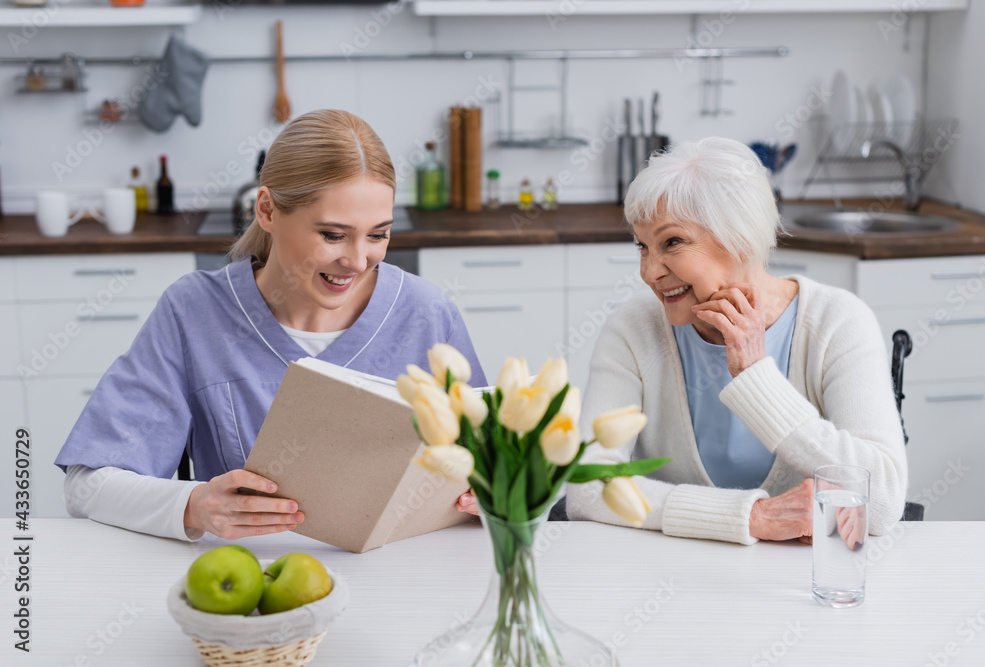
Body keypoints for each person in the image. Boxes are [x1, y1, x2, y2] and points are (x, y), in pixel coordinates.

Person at [56, 110, 486, 542]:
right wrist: (194, 506)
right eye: (333, 235)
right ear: (267, 210)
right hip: (251, 587)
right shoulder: (194, 314)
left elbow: (492, 469)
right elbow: (85, 485)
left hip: (411, 581)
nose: (357, 261)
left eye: (378, 235)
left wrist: (487, 495)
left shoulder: (427, 313)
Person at [566, 137, 907, 545]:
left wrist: (755, 377)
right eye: (643, 247)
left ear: (740, 236)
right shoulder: (633, 328)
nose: (649, 272)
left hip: (799, 579)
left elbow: (883, 500)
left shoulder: (837, 322)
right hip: (667, 572)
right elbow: (586, 487)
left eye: (671, 242)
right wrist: (750, 517)